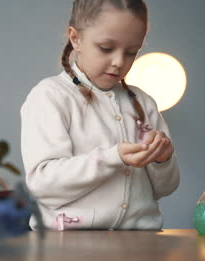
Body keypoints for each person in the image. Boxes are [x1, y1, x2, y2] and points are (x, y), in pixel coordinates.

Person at [20, 0, 180, 231]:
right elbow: (43, 184)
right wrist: (113, 157)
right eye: (106, 48)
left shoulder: (143, 103)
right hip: (68, 246)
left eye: (131, 52)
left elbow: (165, 188)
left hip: (141, 243)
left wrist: (162, 159)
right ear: (76, 38)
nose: (118, 62)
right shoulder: (50, 97)